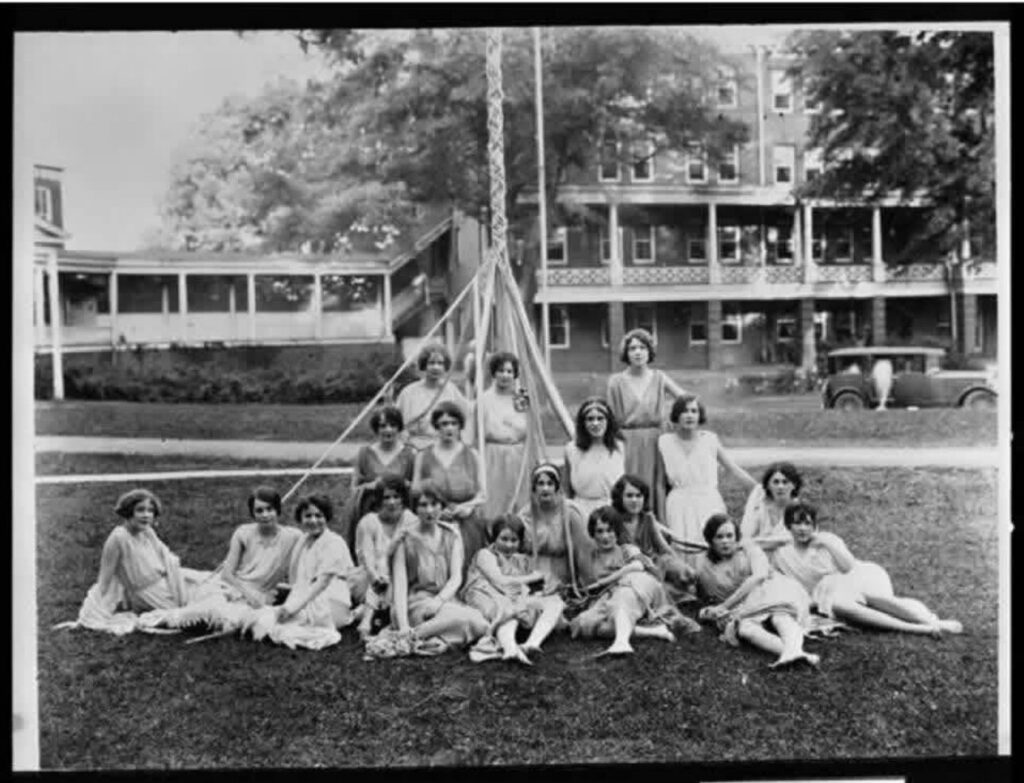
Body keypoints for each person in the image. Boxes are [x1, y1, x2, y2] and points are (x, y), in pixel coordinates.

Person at [771, 502, 963, 637]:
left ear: (815, 526)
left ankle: (931, 621)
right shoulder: (782, 554)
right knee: (840, 604)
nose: (803, 529)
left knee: (875, 598)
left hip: (857, 576)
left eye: (808, 524)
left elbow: (849, 567)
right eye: (797, 523)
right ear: (788, 526)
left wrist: (826, 544)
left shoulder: (828, 540)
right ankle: (917, 629)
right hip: (826, 592)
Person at [62, 488, 197, 634]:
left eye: (150, 511)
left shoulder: (147, 532)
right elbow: (104, 581)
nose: (146, 515)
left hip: (166, 583)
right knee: (189, 615)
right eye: (140, 510)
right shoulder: (118, 538)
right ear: (128, 512)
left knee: (204, 587)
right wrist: (86, 618)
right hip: (149, 594)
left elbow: (165, 559)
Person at [695, 513, 819, 668]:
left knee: (779, 616)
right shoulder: (705, 564)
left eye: (729, 536)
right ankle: (797, 654)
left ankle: (793, 652)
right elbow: (708, 597)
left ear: (737, 537)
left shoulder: (749, 548)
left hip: (770, 590)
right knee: (746, 630)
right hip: (742, 606)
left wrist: (725, 606)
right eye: (719, 537)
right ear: (710, 541)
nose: (725, 541)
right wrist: (713, 612)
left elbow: (759, 577)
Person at [570, 506, 692, 656]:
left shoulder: (627, 549)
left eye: (610, 530)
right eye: (600, 531)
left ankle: (621, 642)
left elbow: (638, 566)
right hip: (608, 597)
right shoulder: (591, 557)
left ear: (617, 531)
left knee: (624, 592)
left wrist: (605, 581)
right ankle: (650, 631)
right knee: (584, 623)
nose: (605, 536)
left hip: (638, 587)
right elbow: (589, 587)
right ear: (593, 534)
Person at [657, 395, 758, 569]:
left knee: (713, 543)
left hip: (707, 500)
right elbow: (659, 481)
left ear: (700, 415)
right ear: (676, 415)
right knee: (683, 548)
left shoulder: (709, 440)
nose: (689, 415)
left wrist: (760, 488)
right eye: (684, 411)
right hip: (678, 503)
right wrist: (661, 515)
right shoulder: (664, 442)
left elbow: (733, 469)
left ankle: (715, 585)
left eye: (694, 411)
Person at [248, 494, 356, 650]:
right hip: (308, 597)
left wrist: (292, 608)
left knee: (274, 622)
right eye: (308, 516)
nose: (313, 520)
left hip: (330, 603)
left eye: (318, 515)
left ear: (327, 517)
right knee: (267, 613)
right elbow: (296, 578)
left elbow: (322, 583)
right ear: (301, 518)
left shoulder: (334, 542)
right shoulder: (303, 541)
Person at [391, 482, 489, 649]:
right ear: (415, 508)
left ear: (442, 506)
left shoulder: (451, 535)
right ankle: (409, 632)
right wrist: (402, 624)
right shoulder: (405, 540)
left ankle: (417, 635)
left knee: (481, 624)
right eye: (423, 505)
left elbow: (455, 577)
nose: (429, 511)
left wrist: (438, 601)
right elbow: (400, 585)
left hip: (444, 601)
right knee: (471, 622)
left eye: (434, 504)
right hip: (416, 604)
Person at [461, 514, 558, 665]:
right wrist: (532, 577)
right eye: (504, 539)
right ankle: (510, 649)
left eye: (514, 540)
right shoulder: (485, 554)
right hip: (485, 596)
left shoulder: (521, 560)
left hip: (512, 598)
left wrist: (543, 586)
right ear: (494, 538)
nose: (508, 545)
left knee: (555, 602)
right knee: (509, 608)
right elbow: (500, 580)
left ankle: (532, 643)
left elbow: (531, 585)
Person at [606, 328, 686, 508]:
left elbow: (686, 401)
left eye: (642, 347)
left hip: (656, 442)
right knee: (630, 488)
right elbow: (609, 418)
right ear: (626, 353)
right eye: (632, 348)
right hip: (627, 442)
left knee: (655, 486)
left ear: (650, 351)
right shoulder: (616, 382)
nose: (638, 352)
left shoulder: (659, 378)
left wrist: (676, 423)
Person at [411, 400, 487, 572]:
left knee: (468, 568)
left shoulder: (472, 455)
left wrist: (466, 507)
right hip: (433, 521)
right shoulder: (423, 455)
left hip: (466, 522)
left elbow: (483, 494)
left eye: (454, 423)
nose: (449, 428)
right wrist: (435, 504)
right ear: (436, 426)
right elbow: (415, 489)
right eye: (444, 424)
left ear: (460, 426)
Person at [350, 475, 419, 640]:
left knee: (392, 567)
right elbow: (367, 560)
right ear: (379, 499)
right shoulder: (369, 522)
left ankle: (367, 618)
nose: (392, 502)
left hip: (400, 580)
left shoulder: (410, 519)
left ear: (403, 498)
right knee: (381, 566)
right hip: (368, 578)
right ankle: (373, 615)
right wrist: (376, 578)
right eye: (387, 497)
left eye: (396, 497)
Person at [340, 405, 416, 553]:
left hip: (399, 516)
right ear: (376, 428)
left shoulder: (409, 454)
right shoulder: (364, 454)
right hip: (371, 514)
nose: (388, 430)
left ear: (399, 427)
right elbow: (353, 489)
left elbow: (416, 488)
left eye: (393, 425)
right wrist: (371, 486)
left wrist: (404, 485)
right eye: (383, 426)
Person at [609, 474, 694, 600]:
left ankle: (685, 593)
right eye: (629, 496)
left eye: (639, 496)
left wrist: (679, 563)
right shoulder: (614, 520)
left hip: (654, 562)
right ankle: (672, 596)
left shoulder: (647, 518)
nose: (634, 500)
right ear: (620, 497)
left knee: (683, 570)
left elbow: (662, 546)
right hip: (632, 567)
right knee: (656, 587)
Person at [219, 485, 304, 608]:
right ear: (253, 514)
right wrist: (249, 595)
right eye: (259, 510)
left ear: (277, 510)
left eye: (269, 509)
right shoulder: (243, 533)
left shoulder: (293, 536)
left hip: (263, 594)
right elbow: (226, 574)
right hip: (237, 588)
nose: (265, 515)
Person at [473, 351, 530, 519]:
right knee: (494, 500)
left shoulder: (520, 399)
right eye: (501, 371)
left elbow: (528, 430)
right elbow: (477, 435)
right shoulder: (484, 399)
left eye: (509, 371)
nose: (505, 375)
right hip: (493, 457)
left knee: (519, 498)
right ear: (493, 373)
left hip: (518, 457)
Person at [395, 343, 468, 451]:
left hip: (446, 449)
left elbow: (466, 416)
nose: (436, 367)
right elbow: (397, 424)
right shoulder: (408, 393)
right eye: (431, 363)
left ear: (445, 366)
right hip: (416, 449)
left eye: (440, 363)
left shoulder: (451, 390)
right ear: (424, 365)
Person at [563, 397, 626, 519]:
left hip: (612, 510)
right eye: (590, 419)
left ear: (608, 421)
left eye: (600, 418)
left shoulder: (620, 448)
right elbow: (567, 489)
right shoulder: (572, 449)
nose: (595, 423)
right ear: (583, 423)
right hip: (581, 511)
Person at [740, 462, 803, 553]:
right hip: (756, 554)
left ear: (794, 485)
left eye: (785, 482)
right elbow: (746, 534)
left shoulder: (799, 510)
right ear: (768, 485)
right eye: (776, 482)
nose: (780, 486)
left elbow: (789, 540)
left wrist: (752, 543)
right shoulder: (759, 500)